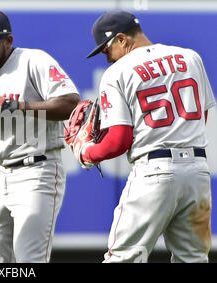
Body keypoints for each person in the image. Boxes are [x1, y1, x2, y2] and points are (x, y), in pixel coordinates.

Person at [81, 9, 215, 262]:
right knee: (194, 258)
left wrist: (87, 152)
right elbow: (201, 118)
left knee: (123, 257)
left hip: (154, 172)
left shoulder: (117, 72)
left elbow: (118, 140)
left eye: (106, 48)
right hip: (197, 172)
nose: (105, 56)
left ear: (122, 39)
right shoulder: (191, 57)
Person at [0, 8, 80, 263]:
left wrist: (15, 106)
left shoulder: (34, 61)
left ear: (8, 41)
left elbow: (70, 104)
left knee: (29, 259)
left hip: (37, 170)